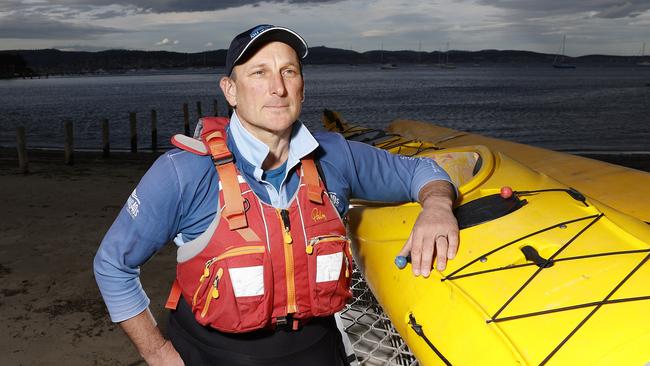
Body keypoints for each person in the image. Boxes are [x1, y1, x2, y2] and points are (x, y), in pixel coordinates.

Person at [94, 24, 459, 366]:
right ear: (230, 90)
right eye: (259, 73)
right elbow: (113, 264)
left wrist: (438, 205)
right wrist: (157, 352)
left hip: (316, 350)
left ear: (302, 85)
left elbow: (422, 171)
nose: (278, 87)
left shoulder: (337, 157)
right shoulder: (184, 171)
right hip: (209, 352)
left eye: (288, 71)